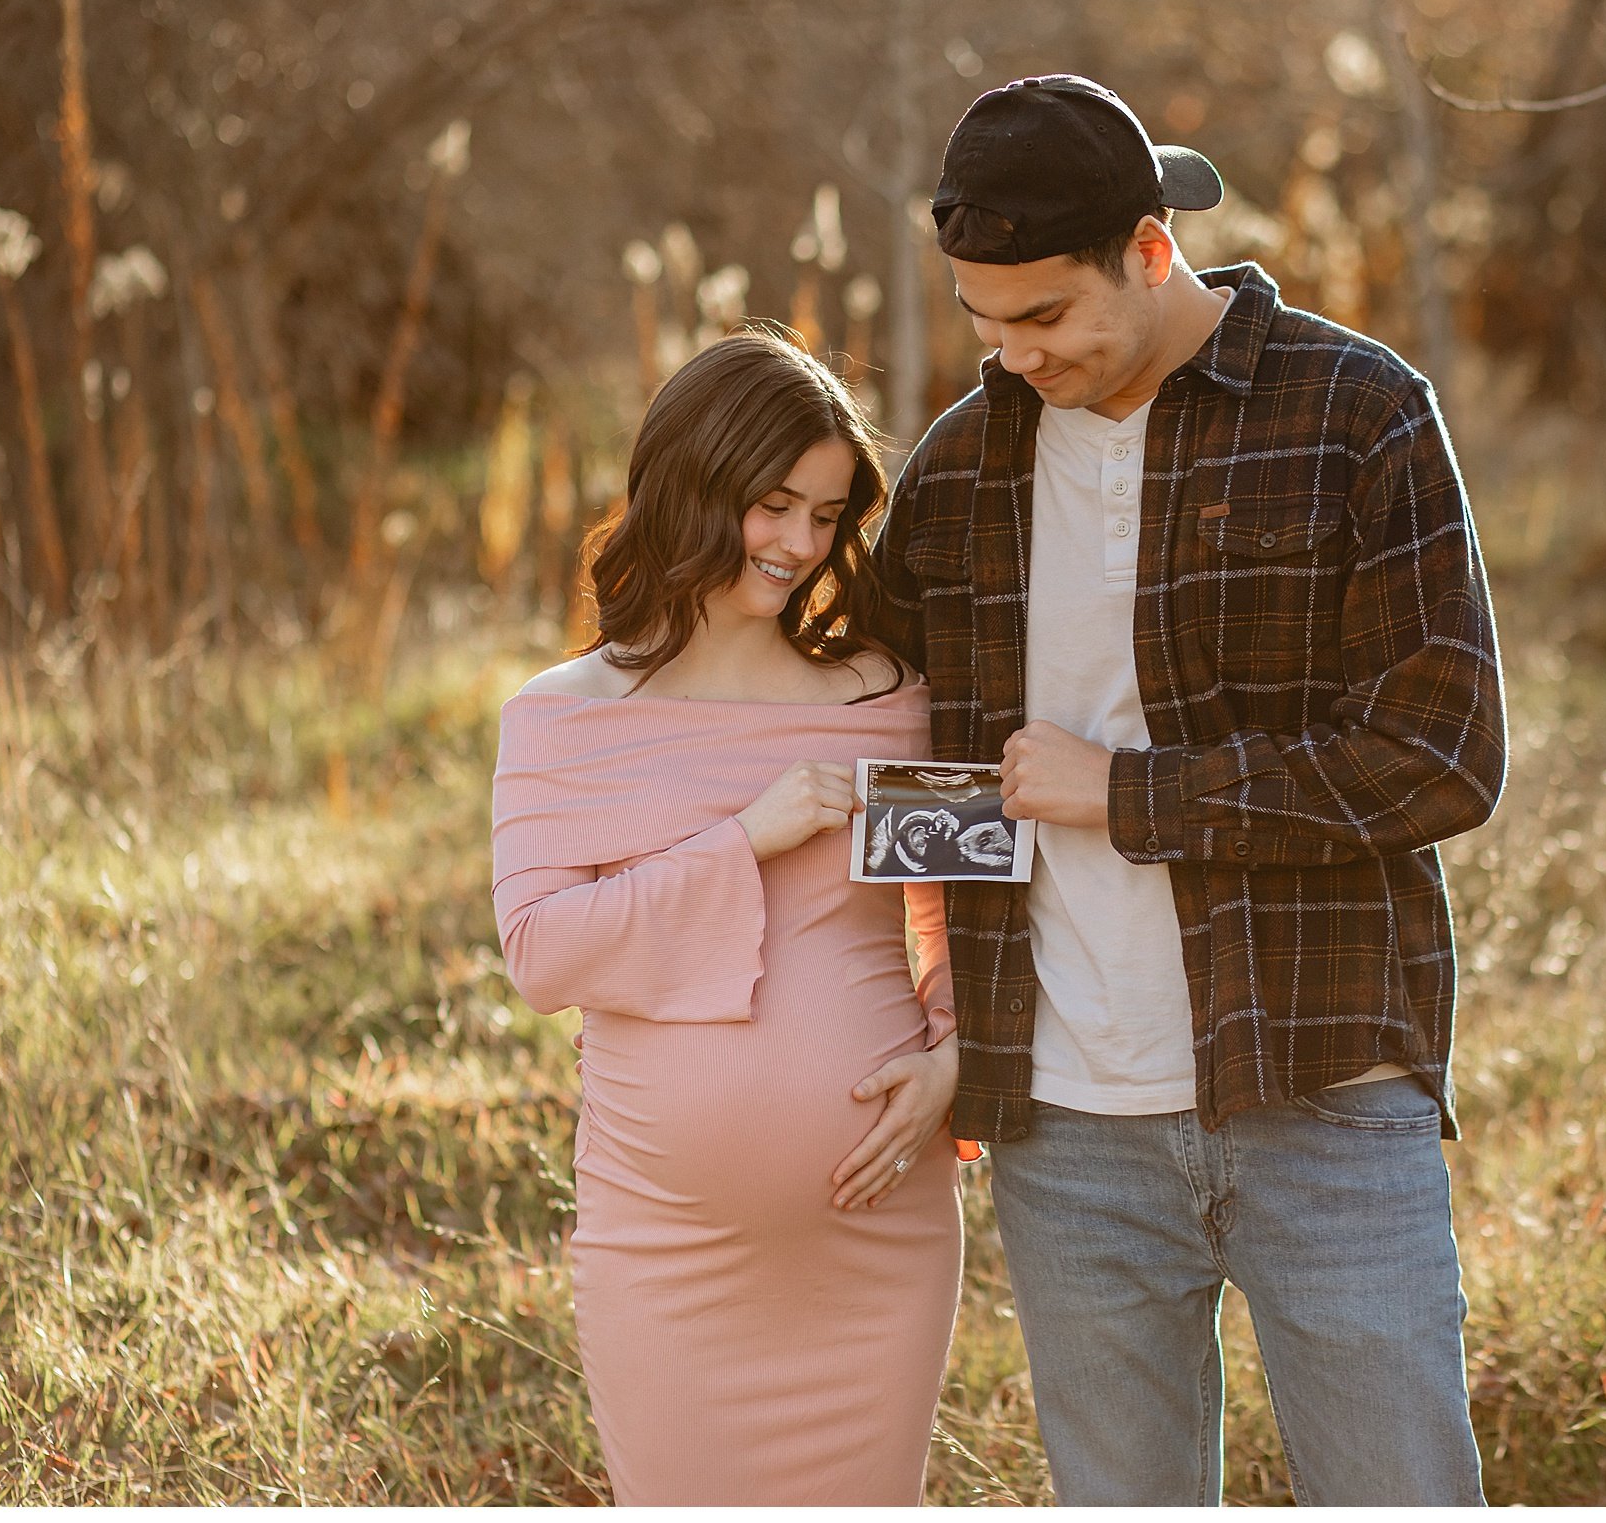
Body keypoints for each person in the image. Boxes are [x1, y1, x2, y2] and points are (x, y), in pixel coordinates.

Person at [870, 75, 1506, 1506]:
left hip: (1321, 1091)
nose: (1014, 354)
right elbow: (923, 762)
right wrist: (944, 1014)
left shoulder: (1355, 412)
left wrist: (1133, 795)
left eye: (1046, 316)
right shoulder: (963, 467)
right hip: (1064, 1130)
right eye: (984, 321)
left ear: (1151, 251)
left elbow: (1443, 751)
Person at [491, 330, 961, 1504]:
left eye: (826, 515)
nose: (799, 545)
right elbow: (543, 954)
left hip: (878, 1243)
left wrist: (959, 1056)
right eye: (772, 505)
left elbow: (964, 908)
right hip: (667, 1252)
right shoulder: (564, 719)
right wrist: (744, 839)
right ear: (690, 485)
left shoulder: (888, 701)